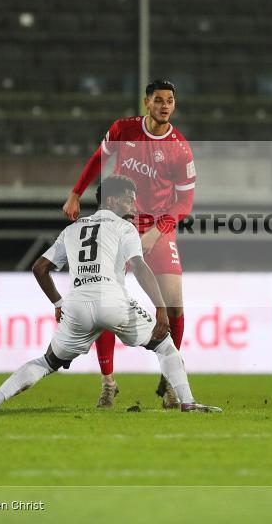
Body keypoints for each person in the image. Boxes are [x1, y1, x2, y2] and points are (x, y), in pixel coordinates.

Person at [0, 176, 221, 414]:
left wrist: (58, 302)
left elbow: (40, 268)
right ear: (111, 200)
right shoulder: (125, 228)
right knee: (165, 346)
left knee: (47, 361)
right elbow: (140, 267)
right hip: (113, 302)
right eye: (129, 198)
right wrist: (161, 307)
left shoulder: (72, 230)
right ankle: (187, 402)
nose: (134, 203)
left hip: (76, 306)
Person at [62, 80, 195, 409]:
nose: (165, 106)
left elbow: (185, 202)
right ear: (146, 102)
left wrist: (158, 231)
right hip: (118, 222)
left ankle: (168, 384)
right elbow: (98, 158)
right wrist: (76, 193)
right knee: (103, 300)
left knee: (174, 306)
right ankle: (108, 383)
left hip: (158, 229)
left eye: (170, 101)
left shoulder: (180, 149)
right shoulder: (123, 130)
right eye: (159, 100)